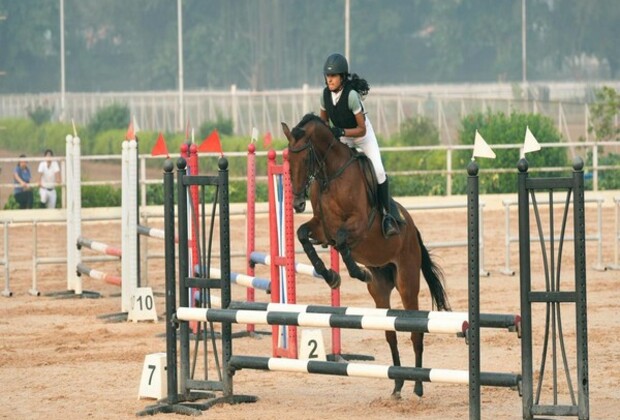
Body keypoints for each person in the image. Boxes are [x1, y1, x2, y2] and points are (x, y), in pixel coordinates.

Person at [319, 52, 403, 237]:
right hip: (342, 136)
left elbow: (361, 129)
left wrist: (340, 132)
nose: (329, 80)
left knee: (379, 171)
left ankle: (388, 216)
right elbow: (324, 123)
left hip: (362, 136)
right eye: (328, 76)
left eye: (333, 76)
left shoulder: (351, 96)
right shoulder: (325, 96)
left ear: (342, 77)